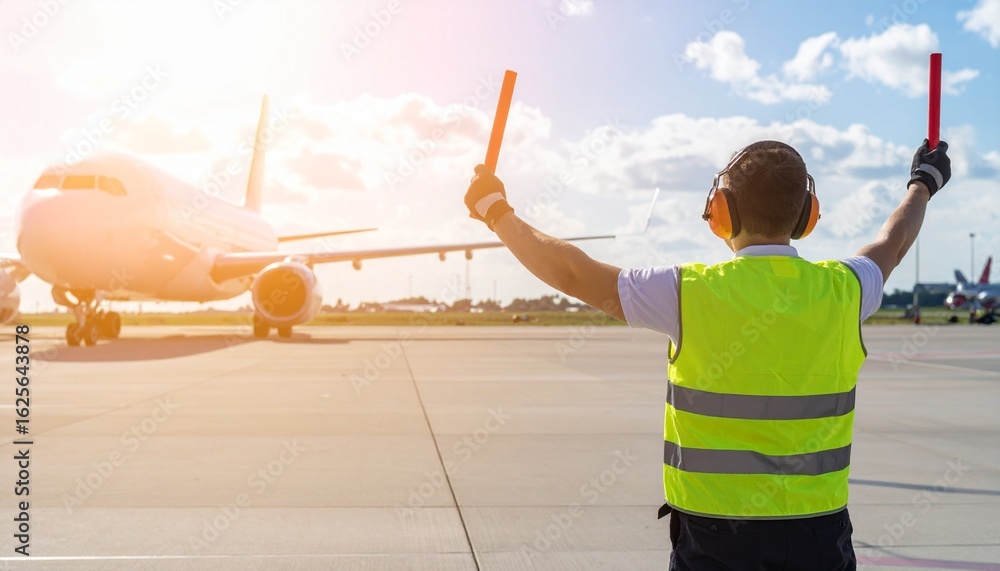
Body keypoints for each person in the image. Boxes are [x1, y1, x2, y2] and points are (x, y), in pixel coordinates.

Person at [464, 139, 951, 570]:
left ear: (720, 210)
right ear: (807, 215)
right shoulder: (846, 288)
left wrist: (495, 208)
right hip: (819, 533)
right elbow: (895, 239)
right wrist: (922, 183)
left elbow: (570, 272)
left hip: (716, 540)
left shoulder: (686, 293)